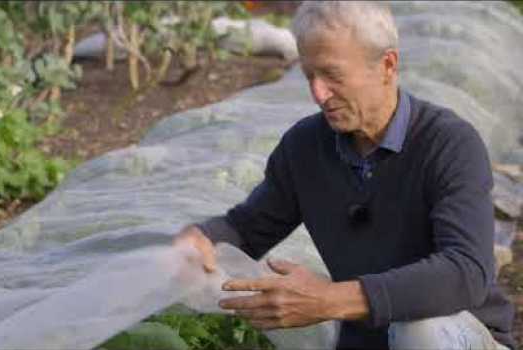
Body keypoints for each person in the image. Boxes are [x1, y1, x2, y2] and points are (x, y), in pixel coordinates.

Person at [174, 2, 515, 349]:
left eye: (333, 75)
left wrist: (329, 299)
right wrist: (203, 238)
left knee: (418, 332)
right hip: (367, 339)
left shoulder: (448, 144)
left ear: (387, 65)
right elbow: (247, 228)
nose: (319, 94)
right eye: (310, 76)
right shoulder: (305, 147)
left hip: (461, 335)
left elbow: (466, 273)